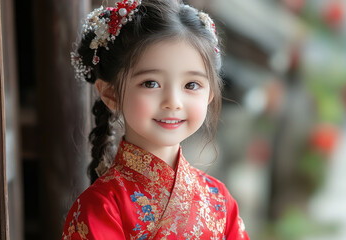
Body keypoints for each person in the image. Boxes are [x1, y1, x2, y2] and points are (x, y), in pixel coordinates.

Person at [62, 0, 249, 239]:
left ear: (209, 94)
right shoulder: (102, 206)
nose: (173, 101)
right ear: (110, 94)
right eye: (151, 83)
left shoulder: (219, 199)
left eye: (191, 85)